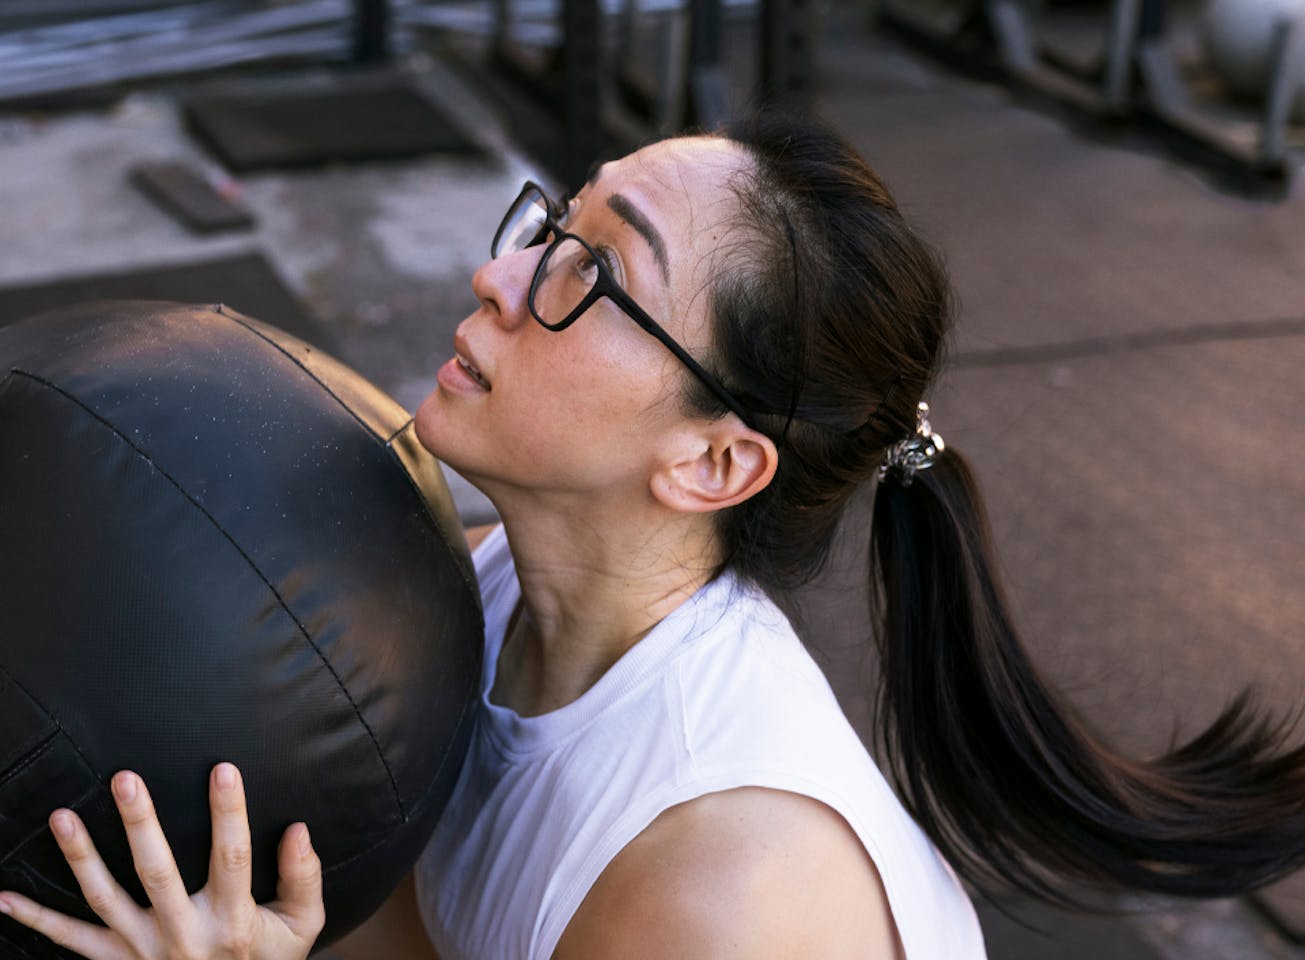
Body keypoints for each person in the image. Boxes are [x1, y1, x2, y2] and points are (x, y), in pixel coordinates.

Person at [2, 112, 1304, 960]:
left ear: (714, 460)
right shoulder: (483, 592)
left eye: (593, 276)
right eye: (552, 228)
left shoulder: (725, 889)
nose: (500, 278)